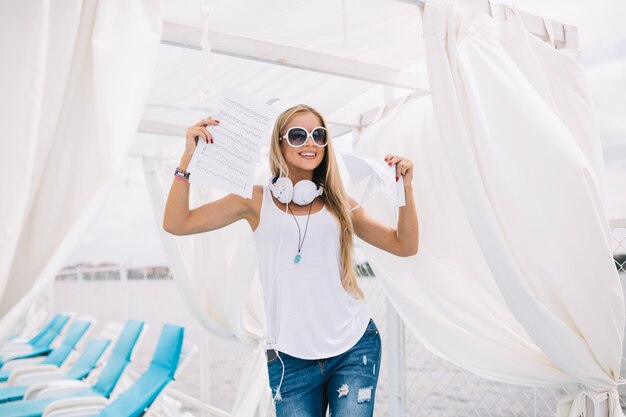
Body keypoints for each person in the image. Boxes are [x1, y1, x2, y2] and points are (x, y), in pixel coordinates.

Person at [163, 104, 419, 416]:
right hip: (290, 358)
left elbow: (404, 245)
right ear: (280, 143)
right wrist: (186, 160)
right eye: (298, 135)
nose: (310, 142)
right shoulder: (253, 200)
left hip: (354, 346)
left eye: (318, 135)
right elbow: (177, 223)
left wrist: (404, 189)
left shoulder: (340, 204)